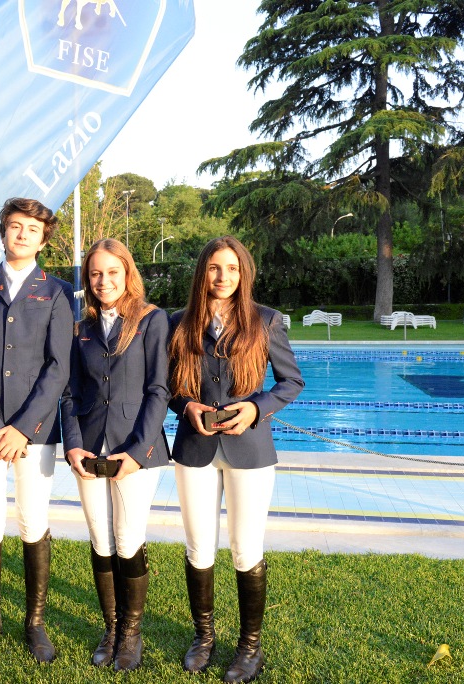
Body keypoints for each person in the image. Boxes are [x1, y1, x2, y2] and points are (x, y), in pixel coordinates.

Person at [167, 236, 304, 683]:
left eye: (231, 268)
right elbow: (167, 387)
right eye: (213, 268)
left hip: (251, 449)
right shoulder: (179, 322)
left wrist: (256, 407)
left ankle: (250, 647)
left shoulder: (266, 321)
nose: (222, 277)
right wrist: (187, 406)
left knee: (246, 548)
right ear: (201, 273)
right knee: (198, 546)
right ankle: (203, 637)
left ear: (243, 272)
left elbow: (291, 382)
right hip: (195, 447)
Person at [0, 197, 74, 663]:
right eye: (14, 226)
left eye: (32, 228)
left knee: (33, 520)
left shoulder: (59, 292)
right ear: (2, 232)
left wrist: (22, 429)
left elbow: (59, 367)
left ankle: (35, 622)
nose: (22, 234)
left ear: (44, 239)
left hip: (36, 430)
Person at [60, 239, 170, 672]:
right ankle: (110, 626)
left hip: (135, 448)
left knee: (127, 539)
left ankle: (131, 633)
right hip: (89, 448)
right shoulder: (80, 328)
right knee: (100, 540)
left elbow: (158, 390)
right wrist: (72, 445)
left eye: (111, 273)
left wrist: (137, 452)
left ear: (128, 274)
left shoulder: (151, 320)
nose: (103, 282)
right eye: (95, 274)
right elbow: (69, 394)